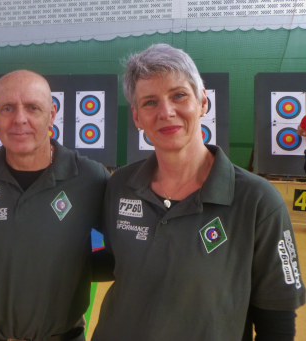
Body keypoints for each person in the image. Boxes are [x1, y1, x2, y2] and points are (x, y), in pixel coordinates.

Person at [92, 44, 305, 340]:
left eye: (179, 95)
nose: (166, 112)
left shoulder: (258, 201)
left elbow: (277, 325)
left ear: (203, 102)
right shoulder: (121, 184)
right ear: (137, 118)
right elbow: (103, 258)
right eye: (150, 102)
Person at [0, 70, 110, 341]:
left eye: (32, 107)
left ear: (52, 114)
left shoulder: (90, 177)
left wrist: (73, 267)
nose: (20, 119)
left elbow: (125, 250)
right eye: (7, 108)